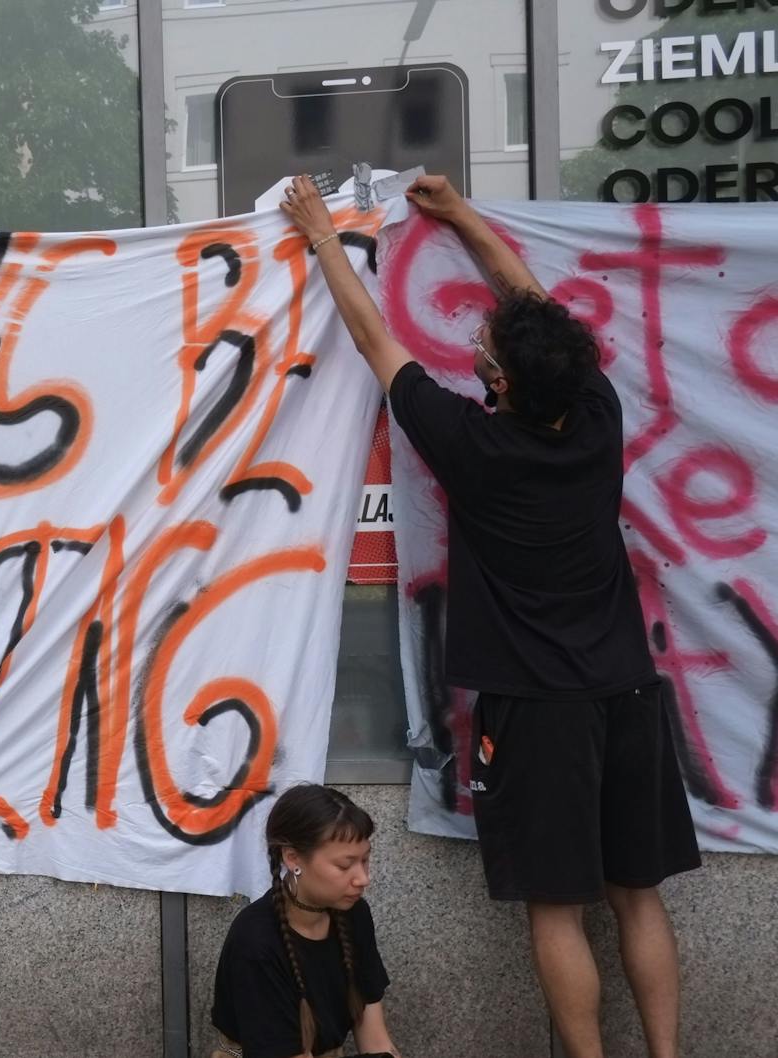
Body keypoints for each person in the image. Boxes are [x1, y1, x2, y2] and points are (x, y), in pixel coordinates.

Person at [278, 173, 701, 1058]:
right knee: (638, 895)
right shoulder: (596, 415)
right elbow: (539, 316)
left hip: (537, 710)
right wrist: (462, 216)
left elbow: (373, 337)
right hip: (628, 691)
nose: (475, 337)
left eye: (483, 342)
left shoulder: (473, 445)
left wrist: (320, 236)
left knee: (558, 907)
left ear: (499, 381)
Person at [210, 784, 399, 1058]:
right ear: (292, 858)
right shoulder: (255, 941)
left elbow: (376, 1039)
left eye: (365, 860)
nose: (363, 879)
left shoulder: (354, 914)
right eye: (345, 865)